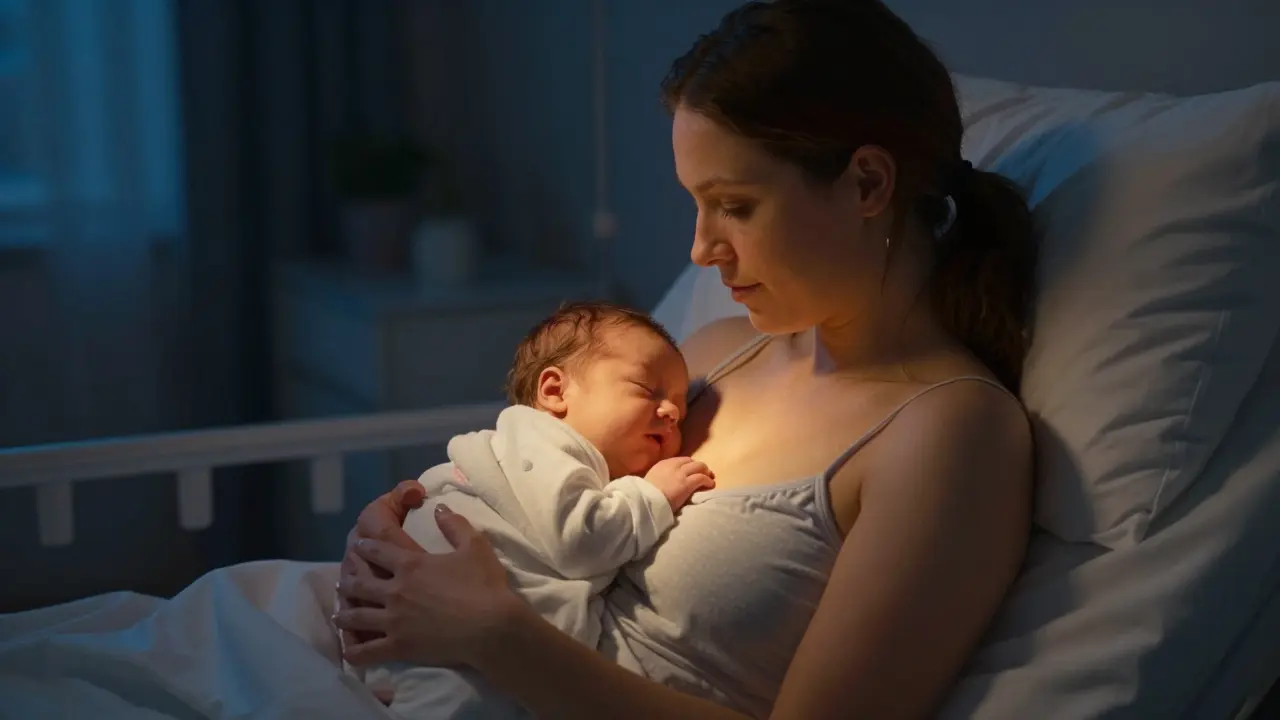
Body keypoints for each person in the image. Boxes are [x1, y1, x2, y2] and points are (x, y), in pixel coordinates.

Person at [334, 0, 1037, 717]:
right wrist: (408, 543)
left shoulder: (951, 433)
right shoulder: (716, 354)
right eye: (696, 205)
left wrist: (494, 635)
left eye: (733, 205)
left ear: (867, 184)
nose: (701, 250)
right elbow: (538, 488)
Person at [345, 301, 715, 718]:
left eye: (681, 413)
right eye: (648, 391)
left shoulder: (556, 463)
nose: (670, 413)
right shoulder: (543, 440)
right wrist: (651, 496)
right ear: (555, 392)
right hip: (436, 627)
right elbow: (579, 541)